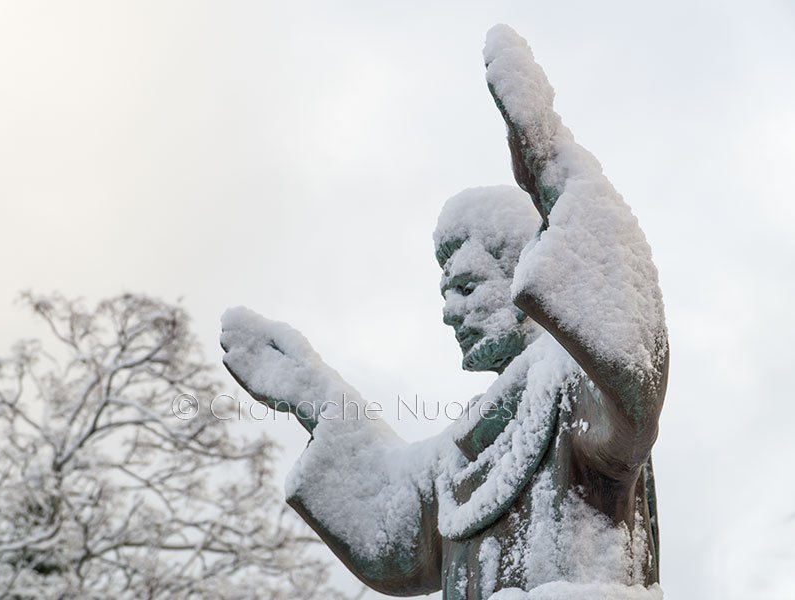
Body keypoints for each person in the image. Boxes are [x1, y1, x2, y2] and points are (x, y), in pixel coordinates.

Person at [220, 24, 668, 600]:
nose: (450, 314)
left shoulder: (576, 389)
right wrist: (316, 397)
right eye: (446, 295)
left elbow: (633, 354)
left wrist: (558, 177)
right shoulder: (466, 445)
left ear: (529, 278)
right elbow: (395, 540)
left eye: (466, 288)